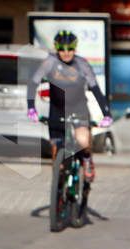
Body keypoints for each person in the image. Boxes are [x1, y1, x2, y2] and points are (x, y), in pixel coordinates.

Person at [26, 30, 112, 183]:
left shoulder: (82, 64)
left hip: (79, 108)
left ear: (75, 48)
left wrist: (107, 113)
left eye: (70, 49)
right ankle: (59, 190)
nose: (66, 53)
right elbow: (33, 83)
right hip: (57, 109)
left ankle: (86, 160)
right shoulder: (49, 62)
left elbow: (96, 89)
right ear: (56, 48)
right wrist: (31, 107)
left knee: (83, 140)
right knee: (56, 150)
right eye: (61, 49)